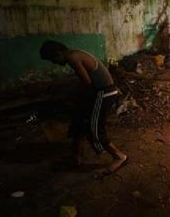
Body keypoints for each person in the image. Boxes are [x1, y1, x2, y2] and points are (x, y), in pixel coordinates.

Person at [40, 41, 128, 174]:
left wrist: (73, 97)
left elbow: (86, 83)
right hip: (98, 91)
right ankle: (76, 157)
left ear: (58, 53)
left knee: (94, 127)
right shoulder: (74, 54)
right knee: (78, 121)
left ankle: (120, 157)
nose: (55, 63)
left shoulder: (72, 57)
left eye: (54, 60)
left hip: (104, 93)